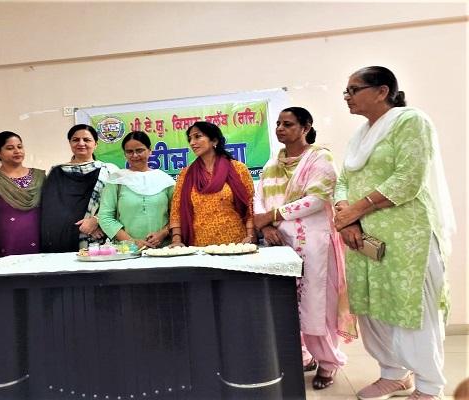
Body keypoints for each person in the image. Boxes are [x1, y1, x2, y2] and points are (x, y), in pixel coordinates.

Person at [334, 66, 454, 400]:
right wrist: (348, 220)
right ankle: (393, 375)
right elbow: (344, 180)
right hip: (363, 239)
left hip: (406, 236)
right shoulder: (360, 135)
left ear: (382, 91)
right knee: (373, 308)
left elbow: (408, 179)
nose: (347, 97)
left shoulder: (410, 121)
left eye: (353, 89)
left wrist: (353, 212)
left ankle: (430, 387)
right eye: (345, 91)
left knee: (410, 309)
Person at [253, 107, 356, 390]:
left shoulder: (320, 159)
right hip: (280, 243)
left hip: (314, 244)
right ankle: (306, 355)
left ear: (305, 127)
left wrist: (272, 216)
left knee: (318, 306)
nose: (280, 128)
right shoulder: (271, 166)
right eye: (278, 124)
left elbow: (316, 199)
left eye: (288, 124)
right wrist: (266, 227)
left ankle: (328, 362)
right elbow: (258, 200)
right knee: (289, 305)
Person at [169, 121, 255, 247]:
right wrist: (176, 240)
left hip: (236, 245)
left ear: (214, 141)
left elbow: (250, 206)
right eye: (190, 139)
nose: (192, 143)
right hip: (199, 247)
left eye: (197, 136)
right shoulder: (186, 174)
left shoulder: (238, 169)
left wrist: (250, 236)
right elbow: (176, 211)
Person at [40, 124, 119, 252]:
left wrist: (96, 221)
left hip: (98, 238)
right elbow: (51, 208)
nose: (81, 143)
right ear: (70, 143)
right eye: (76, 140)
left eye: (87, 140)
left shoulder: (109, 170)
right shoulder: (57, 172)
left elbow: (118, 204)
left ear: (96, 144)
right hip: (61, 237)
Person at [98, 131, 175, 249]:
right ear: (124, 154)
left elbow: (177, 215)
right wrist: (132, 242)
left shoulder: (165, 180)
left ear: (150, 151)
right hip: (127, 251)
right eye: (129, 151)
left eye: (139, 150)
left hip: (163, 250)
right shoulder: (116, 180)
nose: (134, 155)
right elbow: (105, 217)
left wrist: (162, 233)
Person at [0, 131, 45, 260]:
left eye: (19, 146)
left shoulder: (40, 177)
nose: (17, 151)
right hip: (6, 244)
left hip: (40, 244)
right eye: (10, 148)